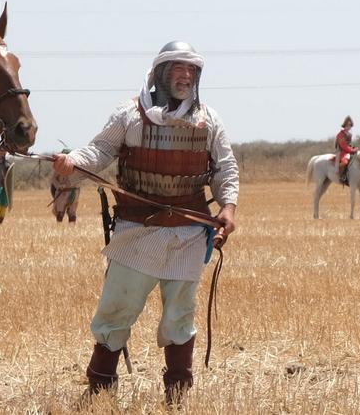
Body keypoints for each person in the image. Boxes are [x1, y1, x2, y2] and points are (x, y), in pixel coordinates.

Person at [52, 41, 239, 406]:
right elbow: (100, 151)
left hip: (188, 232)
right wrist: (73, 162)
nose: (185, 76)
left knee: (180, 317)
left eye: (192, 70)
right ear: (160, 73)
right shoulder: (130, 115)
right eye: (177, 68)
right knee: (116, 312)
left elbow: (225, 167)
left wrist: (228, 207)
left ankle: (177, 398)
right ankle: (100, 392)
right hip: (137, 232)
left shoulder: (209, 120)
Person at [50, 148, 81, 223]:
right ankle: (60, 228)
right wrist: (59, 185)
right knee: (60, 212)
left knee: (72, 212)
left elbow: (80, 180)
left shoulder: (78, 168)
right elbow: (54, 179)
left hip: (74, 192)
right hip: (62, 192)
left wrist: (72, 184)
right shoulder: (59, 167)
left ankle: (71, 229)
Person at [335, 116, 356, 184]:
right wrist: (352, 150)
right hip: (342, 152)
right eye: (347, 125)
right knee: (345, 162)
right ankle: (341, 177)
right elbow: (344, 146)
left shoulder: (349, 134)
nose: (348, 126)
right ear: (344, 125)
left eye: (350, 125)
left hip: (348, 151)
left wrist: (353, 148)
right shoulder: (340, 134)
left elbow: (349, 145)